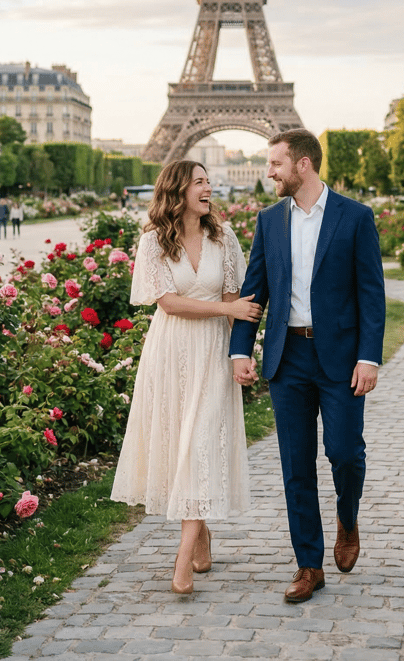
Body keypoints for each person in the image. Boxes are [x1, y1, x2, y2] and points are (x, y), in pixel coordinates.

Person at [230, 128, 386, 604]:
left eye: (276, 163)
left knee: (344, 452)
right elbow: (255, 290)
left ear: (303, 165)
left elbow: (371, 293)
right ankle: (308, 565)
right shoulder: (268, 220)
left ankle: (348, 514)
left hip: (341, 358)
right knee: (296, 465)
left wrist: (369, 356)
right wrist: (241, 349)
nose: (269, 172)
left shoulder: (355, 217)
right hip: (288, 356)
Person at [110, 160, 262, 595]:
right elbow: (170, 304)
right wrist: (226, 310)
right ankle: (201, 534)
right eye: (199, 181)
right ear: (178, 190)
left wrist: (241, 354)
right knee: (182, 444)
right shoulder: (153, 242)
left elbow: (235, 299)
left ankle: (182, 557)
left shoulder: (224, 236)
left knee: (200, 442)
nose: (208, 187)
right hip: (172, 351)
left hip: (214, 352)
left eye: (209, 180)